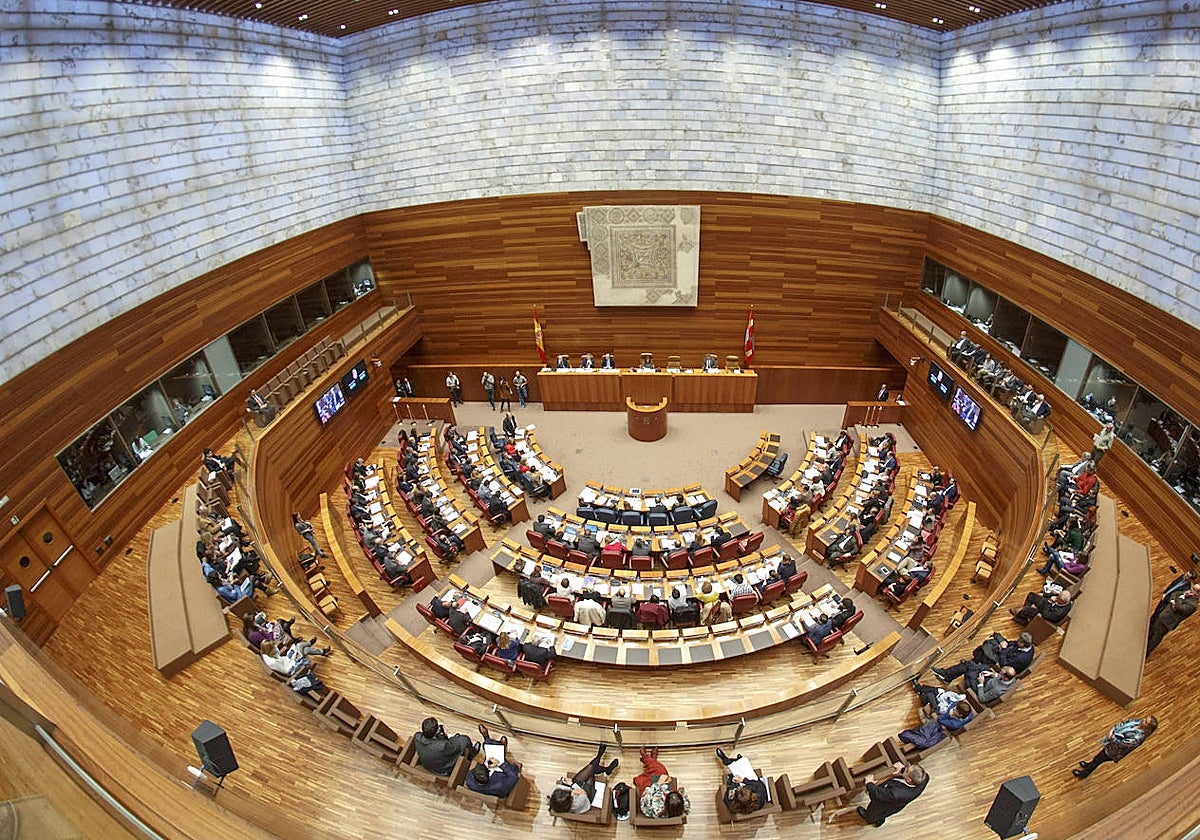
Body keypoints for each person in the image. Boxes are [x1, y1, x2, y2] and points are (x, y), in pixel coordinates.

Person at [1073, 717, 1157, 779]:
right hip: (1110, 743)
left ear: (1148, 728)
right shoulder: (1137, 721)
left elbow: (1121, 744)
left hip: (1113, 751)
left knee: (1097, 761)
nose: (1143, 720)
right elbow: (1124, 723)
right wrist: (1113, 730)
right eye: (1145, 718)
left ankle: (1083, 774)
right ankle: (1088, 765)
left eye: (1146, 722)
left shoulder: (1137, 738)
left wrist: (1111, 736)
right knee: (1097, 758)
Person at [548, 744, 619, 814]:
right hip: (586, 796)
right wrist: (572, 787)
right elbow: (583, 792)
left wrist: (565, 781)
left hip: (573, 788)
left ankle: (603, 762)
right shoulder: (577, 804)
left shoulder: (554, 792)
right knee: (591, 771)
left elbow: (561, 785)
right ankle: (605, 765)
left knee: (591, 768)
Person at [857, 762, 927, 827]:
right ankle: (880, 819)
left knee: (874, 813)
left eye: (906, 770)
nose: (905, 767)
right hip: (894, 804)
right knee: (883, 814)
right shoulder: (924, 778)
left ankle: (869, 819)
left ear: (909, 780)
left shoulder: (896, 794)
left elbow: (879, 793)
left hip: (883, 805)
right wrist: (902, 770)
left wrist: (869, 783)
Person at [634, 746, 689, 819]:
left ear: (665, 803)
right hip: (660, 791)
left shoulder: (656, 808)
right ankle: (652, 760)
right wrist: (677, 789)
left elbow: (646, 795)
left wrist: (658, 783)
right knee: (662, 772)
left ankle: (646, 758)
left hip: (647, 797)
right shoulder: (685, 808)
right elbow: (683, 796)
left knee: (658, 771)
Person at [1146, 582, 1200, 656]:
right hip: (1163, 615)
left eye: (1194, 589)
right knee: (1152, 631)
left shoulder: (1193, 605)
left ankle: (1146, 653)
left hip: (1166, 623)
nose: (1191, 589)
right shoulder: (1187, 593)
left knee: (1155, 638)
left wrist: (1180, 598)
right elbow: (1174, 594)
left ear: (1197, 594)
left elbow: (1179, 607)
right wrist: (1174, 602)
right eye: (1192, 587)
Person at [465, 727, 520, 798]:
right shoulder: (500, 785)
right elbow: (514, 777)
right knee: (502, 760)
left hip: (489, 780)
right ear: (488, 774)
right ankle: (501, 748)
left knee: (489, 757)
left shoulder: (470, 781)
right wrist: (500, 764)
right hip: (502, 776)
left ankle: (487, 739)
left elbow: (472, 773)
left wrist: (487, 766)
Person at [413, 717, 477, 776]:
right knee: (465, 739)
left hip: (427, 765)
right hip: (443, 770)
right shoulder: (442, 746)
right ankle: (472, 754)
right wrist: (454, 738)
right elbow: (456, 747)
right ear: (436, 732)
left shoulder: (417, 736)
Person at [715, 747, 769, 814]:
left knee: (737, 775)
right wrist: (743, 780)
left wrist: (734, 785)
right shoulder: (759, 795)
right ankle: (737, 761)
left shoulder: (731, 804)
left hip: (739, 785)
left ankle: (729, 762)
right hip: (752, 785)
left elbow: (726, 797)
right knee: (749, 775)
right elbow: (758, 784)